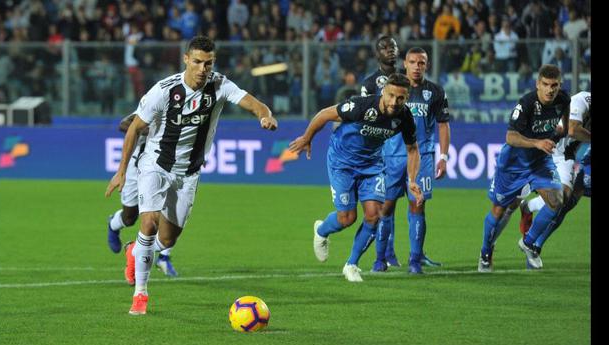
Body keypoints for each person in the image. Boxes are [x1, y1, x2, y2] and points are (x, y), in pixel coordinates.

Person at [105, 36, 278, 315]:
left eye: (208, 63)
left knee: (168, 239)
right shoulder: (164, 91)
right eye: (197, 61)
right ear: (186, 59)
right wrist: (121, 171)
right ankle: (141, 294)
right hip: (156, 166)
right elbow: (134, 128)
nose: (202, 69)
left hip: (188, 174)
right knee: (147, 222)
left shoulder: (219, 85)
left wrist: (264, 115)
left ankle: (134, 251)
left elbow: (254, 103)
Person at [289, 73, 423, 282]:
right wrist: (307, 138)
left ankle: (351, 264)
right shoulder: (361, 107)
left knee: (374, 214)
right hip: (342, 163)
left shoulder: (404, 117)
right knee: (347, 218)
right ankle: (322, 230)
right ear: (383, 92)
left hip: (372, 166)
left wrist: (412, 179)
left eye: (400, 98)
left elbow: (413, 148)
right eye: (390, 95)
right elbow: (324, 114)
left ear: (406, 98)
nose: (394, 102)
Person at [362, 44, 449, 273]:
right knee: (385, 207)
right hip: (390, 155)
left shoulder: (436, 92)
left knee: (417, 206)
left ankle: (414, 261)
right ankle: (381, 260)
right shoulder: (392, 90)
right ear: (405, 64)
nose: (417, 67)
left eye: (421, 63)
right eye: (412, 62)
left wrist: (444, 156)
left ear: (427, 65)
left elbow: (443, 125)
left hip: (422, 156)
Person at [478, 64, 570, 273]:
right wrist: (538, 142)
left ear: (559, 85)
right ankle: (485, 251)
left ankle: (528, 243)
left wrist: (558, 133)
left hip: (539, 162)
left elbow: (564, 126)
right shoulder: (527, 103)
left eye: (554, 85)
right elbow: (510, 137)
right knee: (500, 210)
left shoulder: (564, 99)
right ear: (538, 84)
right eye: (545, 85)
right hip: (513, 164)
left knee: (557, 201)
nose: (550, 90)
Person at [515, 91, 590, 259]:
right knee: (560, 198)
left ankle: (530, 207)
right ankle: (529, 242)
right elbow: (572, 129)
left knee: (565, 201)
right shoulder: (584, 99)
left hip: (566, 156)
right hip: (549, 147)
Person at [106, 113, 179, 283]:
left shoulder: (184, 110)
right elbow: (124, 124)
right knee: (130, 217)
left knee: (167, 214)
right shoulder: (153, 104)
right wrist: (147, 129)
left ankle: (163, 257)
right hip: (135, 168)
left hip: (164, 168)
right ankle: (113, 223)